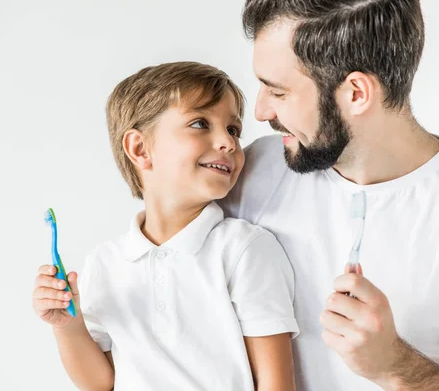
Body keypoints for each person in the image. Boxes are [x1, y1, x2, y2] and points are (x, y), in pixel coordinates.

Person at [220, 0, 439, 390]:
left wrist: (395, 364)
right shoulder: (247, 175)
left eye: (278, 92)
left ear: (357, 94)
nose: (261, 112)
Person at [32, 61, 298, 391]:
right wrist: (68, 327)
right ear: (140, 149)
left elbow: (276, 382)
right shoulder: (105, 262)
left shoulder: (243, 249)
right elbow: (101, 383)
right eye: (201, 123)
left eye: (233, 129)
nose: (229, 143)